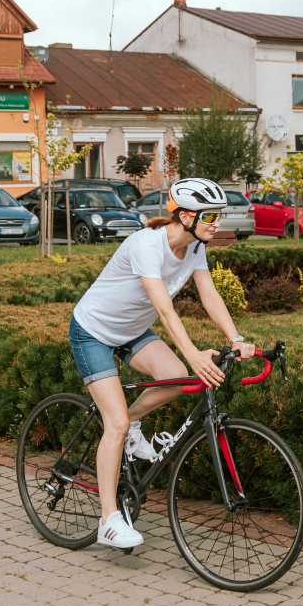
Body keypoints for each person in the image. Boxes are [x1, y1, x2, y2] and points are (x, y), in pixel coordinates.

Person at [67, 176, 258, 550]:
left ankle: (131, 424)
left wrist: (235, 339)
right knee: (115, 423)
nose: (217, 223)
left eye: (219, 215)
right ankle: (108, 519)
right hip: (93, 331)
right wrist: (193, 354)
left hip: (132, 331)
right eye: (210, 216)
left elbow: (209, 294)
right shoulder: (147, 245)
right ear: (186, 216)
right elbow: (164, 310)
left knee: (175, 379)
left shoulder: (196, 248)